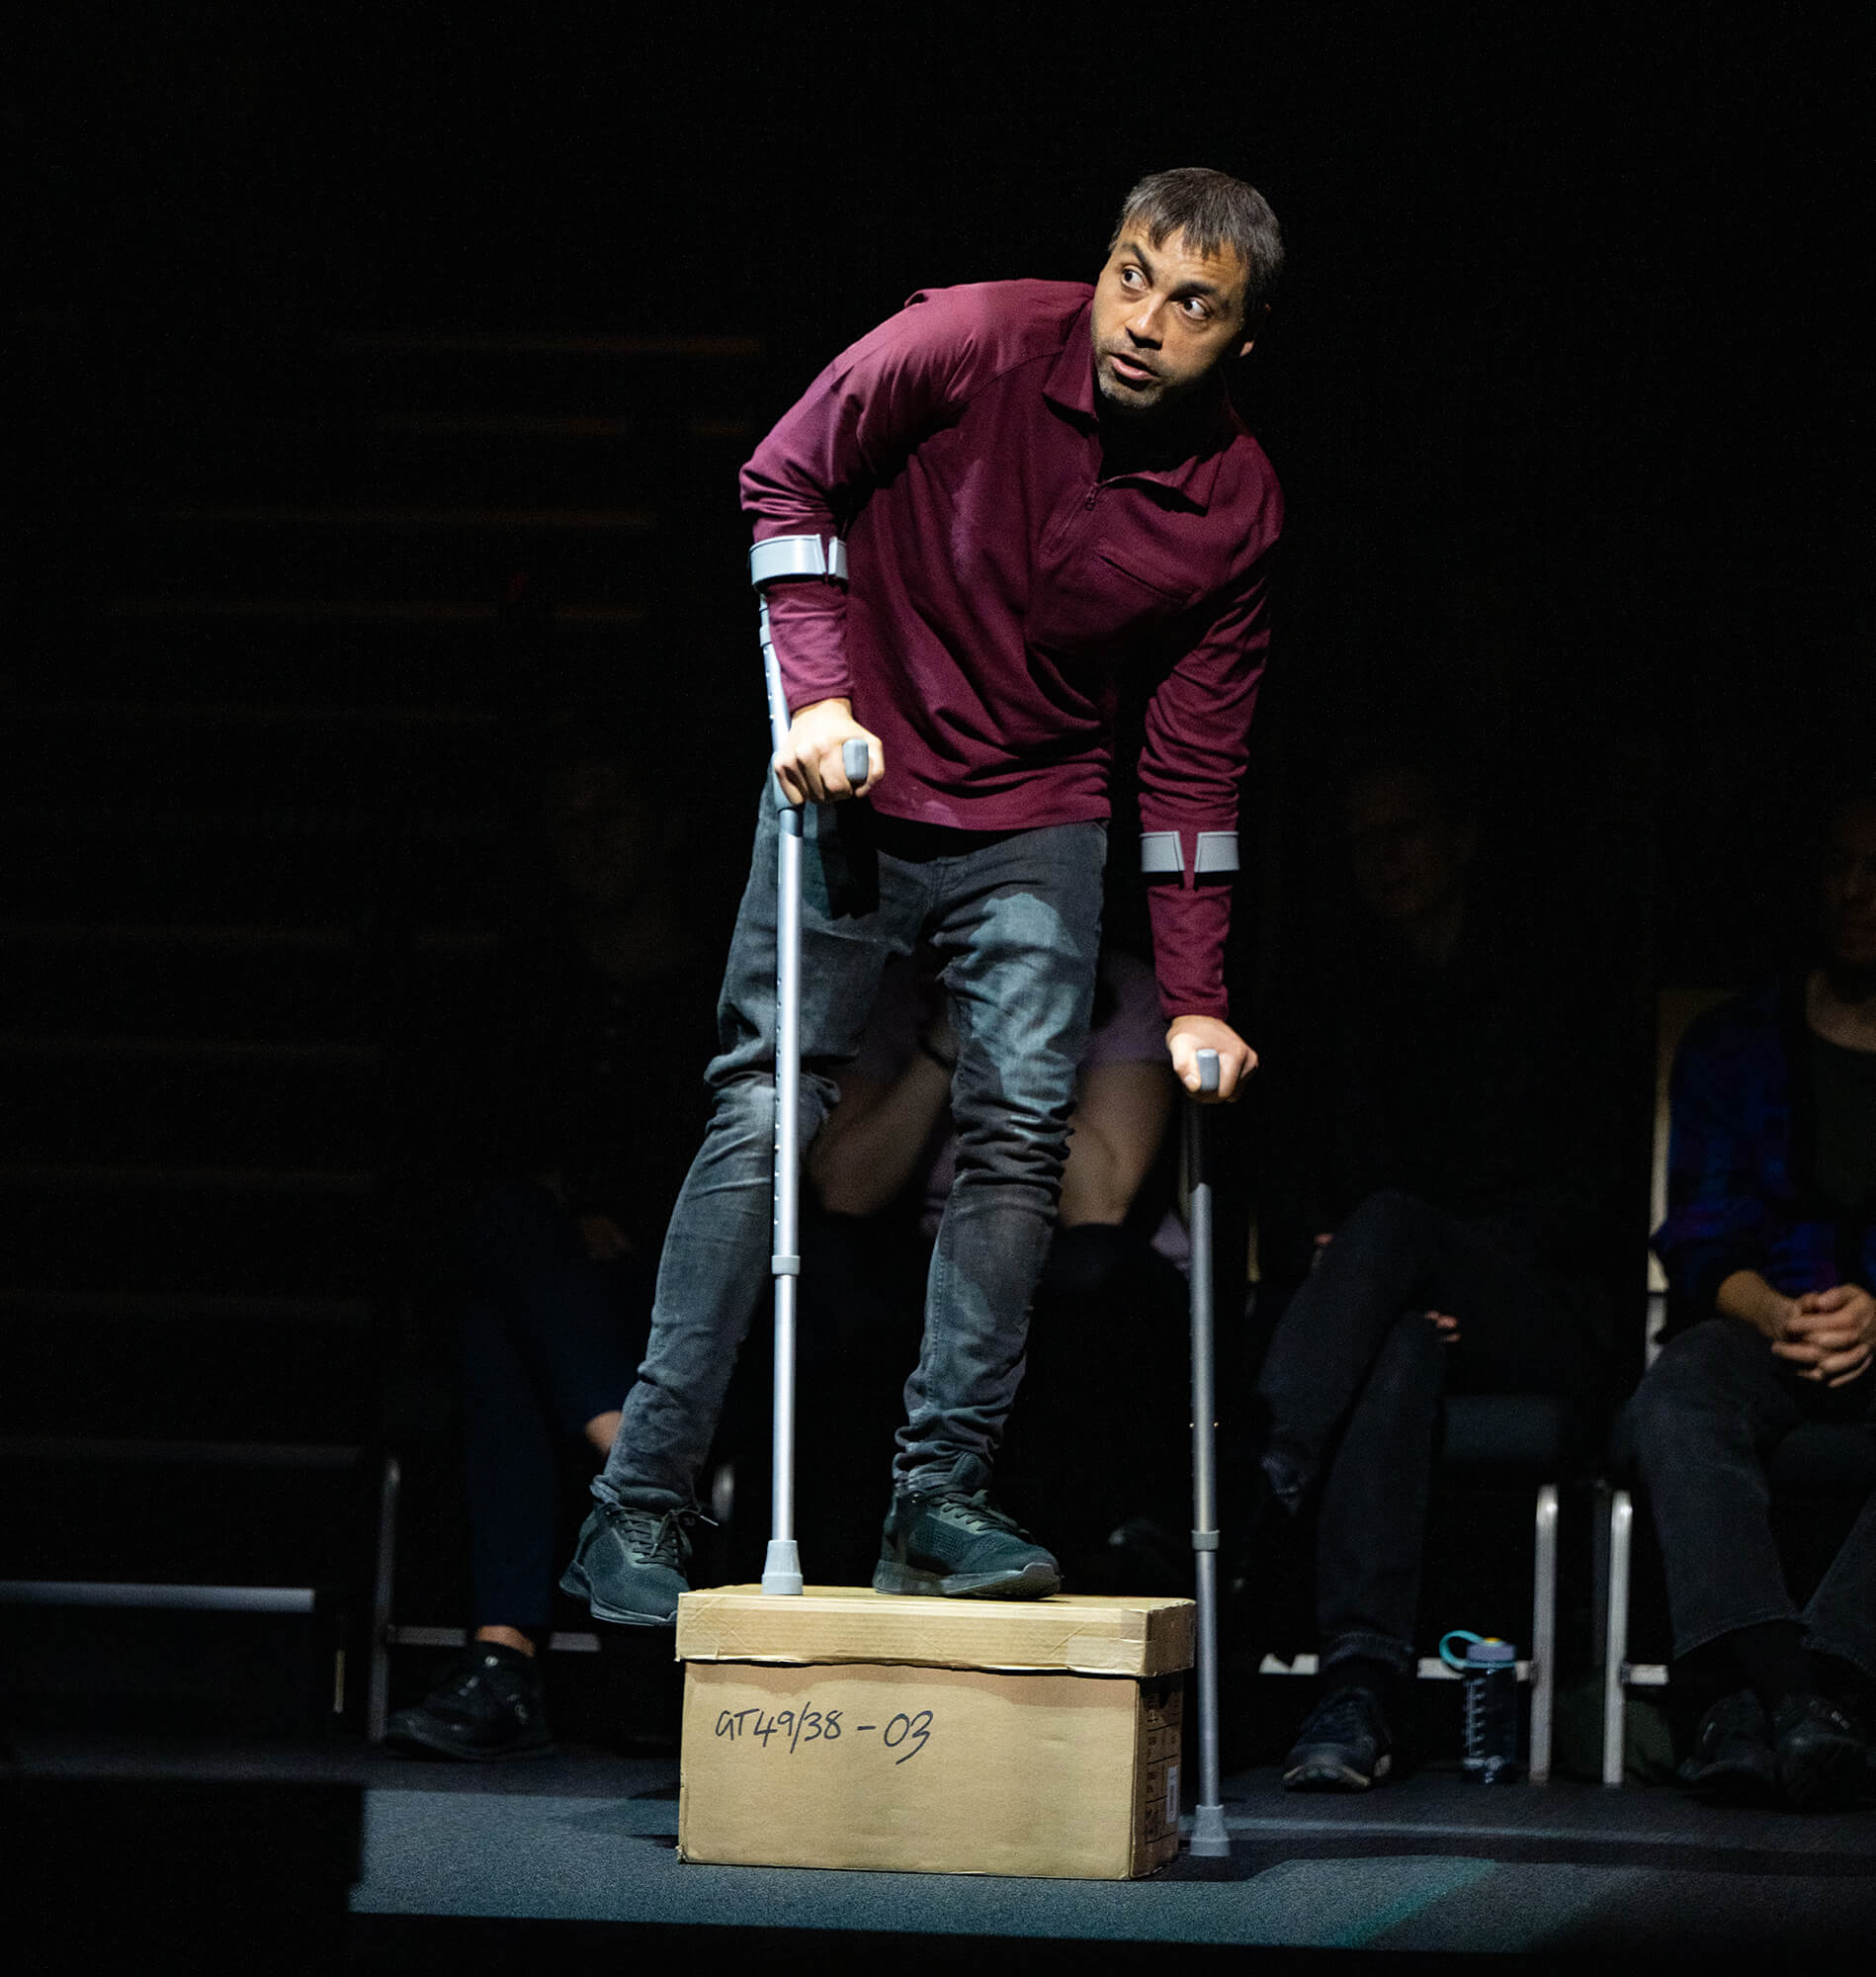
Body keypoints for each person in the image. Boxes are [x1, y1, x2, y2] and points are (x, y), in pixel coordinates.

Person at [559, 167, 1285, 1625]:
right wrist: (817, 701)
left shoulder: (1235, 505)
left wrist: (1195, 992)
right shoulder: (964, 338)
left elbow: (1197, 757)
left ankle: (933, 1495)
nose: (1143, 321)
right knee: (765, 1104)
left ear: (1241, 344)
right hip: (854, 772)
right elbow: (785, 472)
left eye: (1192, 303)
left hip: (1039, 809)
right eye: (1130, 275)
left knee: (1017, 1135)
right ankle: (633, 1508)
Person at [1248, 751, 1618, 1790]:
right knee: (1395, 1341)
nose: (1384, 860)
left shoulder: (1548, 986)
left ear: (1459, 838)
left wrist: (1433, 1264)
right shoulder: (1334, 998)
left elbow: (1588, 1190)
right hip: (1384, 1315)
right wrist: (1373, 1273)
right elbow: (1288, 1192)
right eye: (1362, 843)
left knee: (1394, 1227)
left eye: (1402, 833)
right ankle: (1358, 1688)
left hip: (1526, 1299)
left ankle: (1268, 1475)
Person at [387, 743, 715, 1759]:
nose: (589, 836)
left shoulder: (718, 989)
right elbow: (481, 1160)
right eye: (564, 815)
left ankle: (502, 1659)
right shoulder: (520, 993)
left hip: (682, 1304)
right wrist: (563, 1220)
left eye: (608, 806)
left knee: (503, 1325)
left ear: (661, 825)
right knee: (501, 1272)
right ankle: (633, 1456)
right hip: (558, 1288)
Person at [1622, 778, 1876, 1810]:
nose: (1853, 892)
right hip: (1759, 1318)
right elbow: (1696, 1231)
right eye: (1836, 869)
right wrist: (1774, 1310)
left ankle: (1794, 1692)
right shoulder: (1738, 1038)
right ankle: (1783, 1692)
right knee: (1676, 1391)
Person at [796, 943, 1192, 1588]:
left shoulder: (1122, 989)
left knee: (1085, 1278)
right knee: (830, 1271)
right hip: (935, 1267)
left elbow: (1096, 1204)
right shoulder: (898, 993)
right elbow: (846, 1188)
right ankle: (856, 1568)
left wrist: (1017, 1029)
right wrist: (949, 1038)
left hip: (1077, 1275)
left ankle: (1068, 1557)